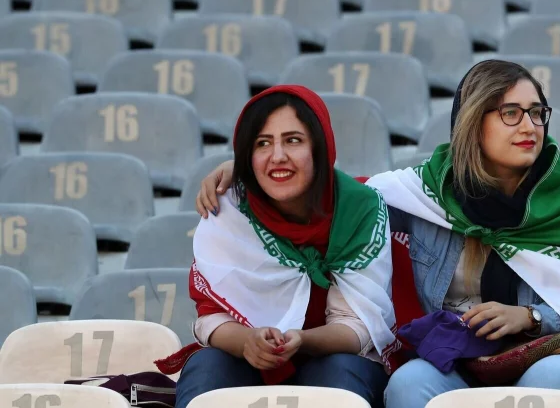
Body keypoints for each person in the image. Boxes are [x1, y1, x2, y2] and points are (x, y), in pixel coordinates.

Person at [195, 61, 560, 408]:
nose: (529, 126)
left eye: (536, 112)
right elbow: (337, 196)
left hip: (554, 356)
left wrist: (530, 317)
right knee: (409, 383)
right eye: (510, 113)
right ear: (473, 122)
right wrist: (250, 172)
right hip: (459, 360)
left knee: (553, 377)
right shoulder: (424, 194)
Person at [164, 85, 401, 408]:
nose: (277, 156)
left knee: (340, 372)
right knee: (209, 366)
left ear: (320, 147)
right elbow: (210, 318)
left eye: (293, 140)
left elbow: (357, 327)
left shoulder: (357, 208)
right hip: (248, 355)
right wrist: (247, 341)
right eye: (262, 143)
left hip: (333, 354)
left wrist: (301, 339)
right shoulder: (230, 207)